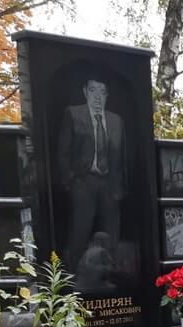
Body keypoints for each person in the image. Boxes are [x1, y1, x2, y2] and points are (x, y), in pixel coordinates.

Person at [57, 78, 127, 274]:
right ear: (85, 92)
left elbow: (124, 156)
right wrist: (70, 180)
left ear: (107, 95)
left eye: (102, 92)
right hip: (83, 181)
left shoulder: (116, 120)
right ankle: (73, 276)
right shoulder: (73, 114)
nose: (97, 97)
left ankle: (110, 274)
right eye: (93, 90)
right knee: (80, 230)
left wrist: (121, 185)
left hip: (110, 183)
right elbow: (63, 150)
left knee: (112, 231)